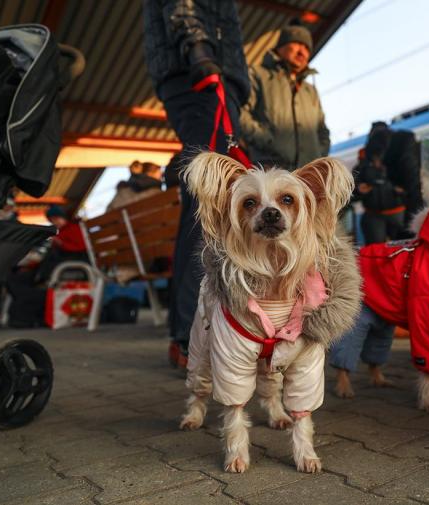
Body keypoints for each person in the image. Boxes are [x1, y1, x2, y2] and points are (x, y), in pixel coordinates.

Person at [143, 0, 250, 366]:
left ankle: (195, 331)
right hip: (199, 73)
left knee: (214, 205)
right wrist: (198, 49)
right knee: (208, 207)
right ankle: (190, 335)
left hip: (215, 75)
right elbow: (182, 8)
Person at [239, 23, 330, 170]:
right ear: (280, 47)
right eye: (297, 44)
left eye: (307, 48)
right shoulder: (258, 75)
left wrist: (319, 154)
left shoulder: (310, 90)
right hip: (271, 170)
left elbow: (322, 130)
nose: (302, 51)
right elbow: (241, 114)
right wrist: (267, 141)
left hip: (308, 174)